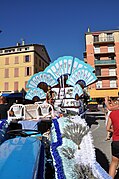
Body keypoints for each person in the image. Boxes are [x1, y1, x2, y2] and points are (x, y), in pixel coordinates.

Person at [106, 106, 119, 178]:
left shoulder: (112, 114)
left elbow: (108, 128)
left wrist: (115, 131)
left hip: (116, 141)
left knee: (114, 163)